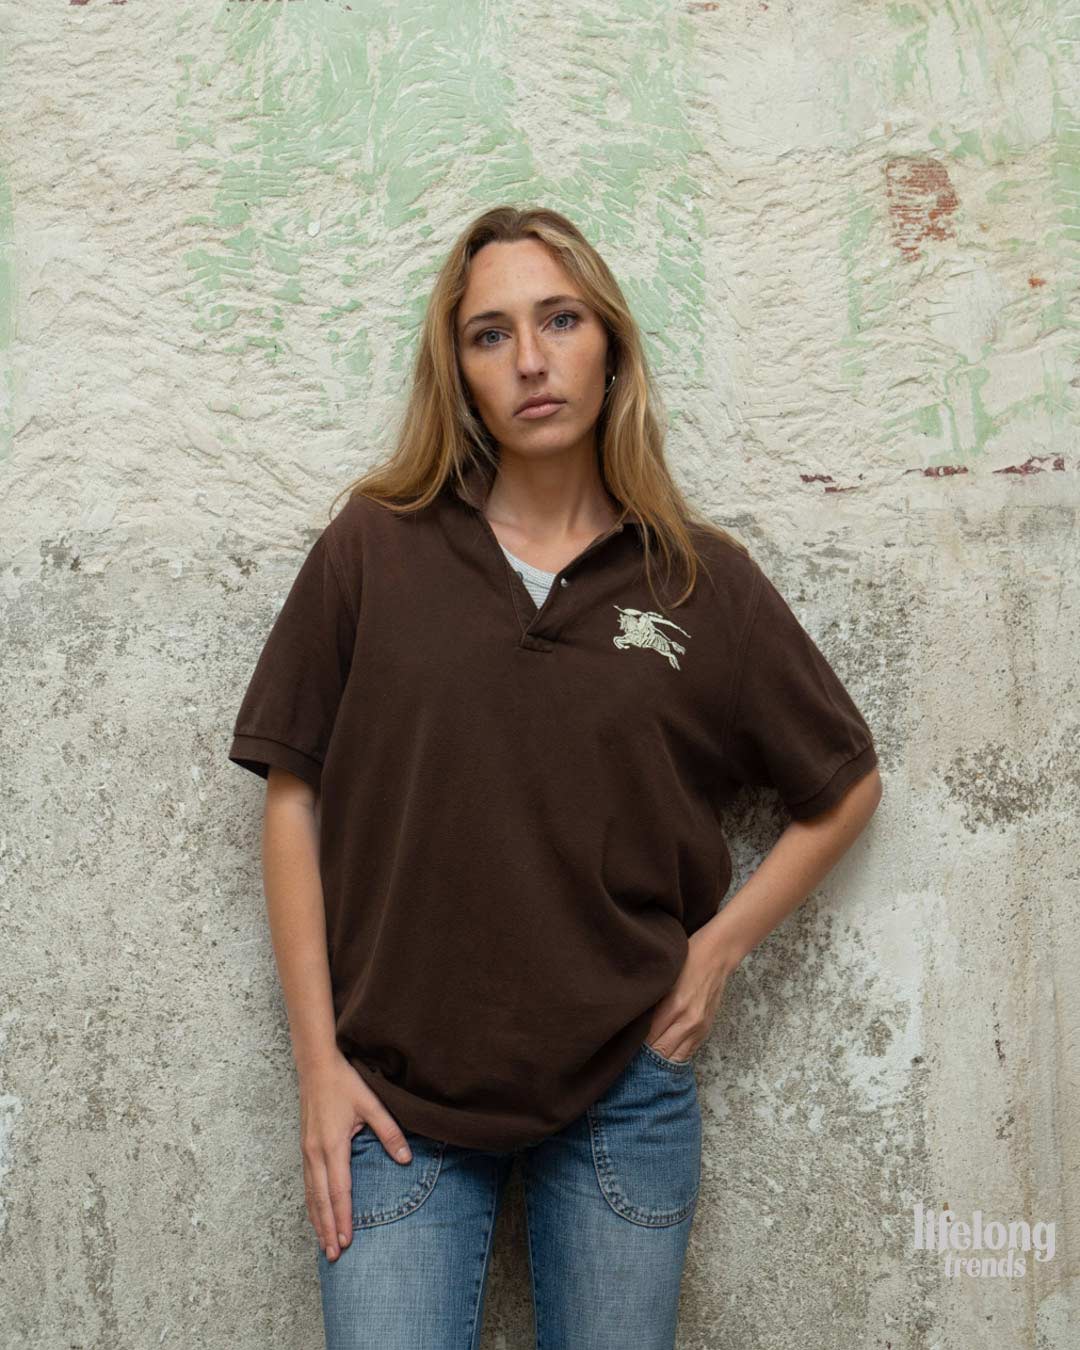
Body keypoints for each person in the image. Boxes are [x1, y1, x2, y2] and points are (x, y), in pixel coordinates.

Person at [227, 205, 882, 1349]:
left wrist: (715, 954)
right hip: (394, 1102)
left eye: (560, 320)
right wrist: (317, 1063)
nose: (530, 359)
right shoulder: (375, 547)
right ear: (460, 373)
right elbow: (294, 795)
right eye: (491, 334)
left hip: (623, 1099)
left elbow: (845, 785)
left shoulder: (698, 582)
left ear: (610, 346)